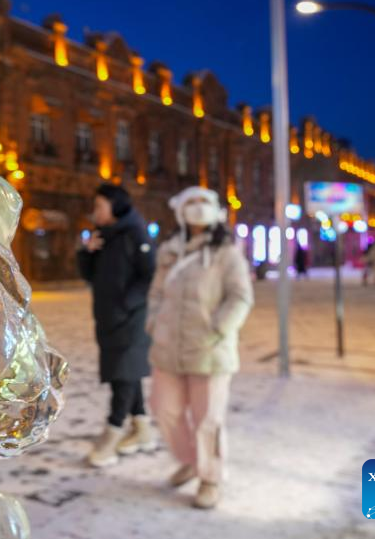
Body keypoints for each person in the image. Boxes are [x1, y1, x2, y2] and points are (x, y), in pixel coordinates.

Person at [147, 186, 254, 509]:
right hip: (168, 347)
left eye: (204, 202)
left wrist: (219, 328)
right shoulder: (169, 250)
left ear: (215, 210)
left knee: (207, 417)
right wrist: (153, 322)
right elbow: (155, 292)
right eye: (191, 202)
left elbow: (241, 296)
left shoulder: (226, 252)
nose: (197, 208)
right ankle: (192, 460)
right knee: (164, 409)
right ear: (180, 210)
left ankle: (210, 477)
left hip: (210, 349)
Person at [77, 184, 157, 467]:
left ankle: (112, 433)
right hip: (108, 317)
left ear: (115, 207)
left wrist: (126, 305)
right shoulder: (104, 236)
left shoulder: (135, 234)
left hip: (130, 318)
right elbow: (88, 275)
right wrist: (87, 252)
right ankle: (143, 430)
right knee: (126, 372)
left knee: (123, 376)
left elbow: (148, 274)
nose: (95, 211)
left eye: (100, 205)